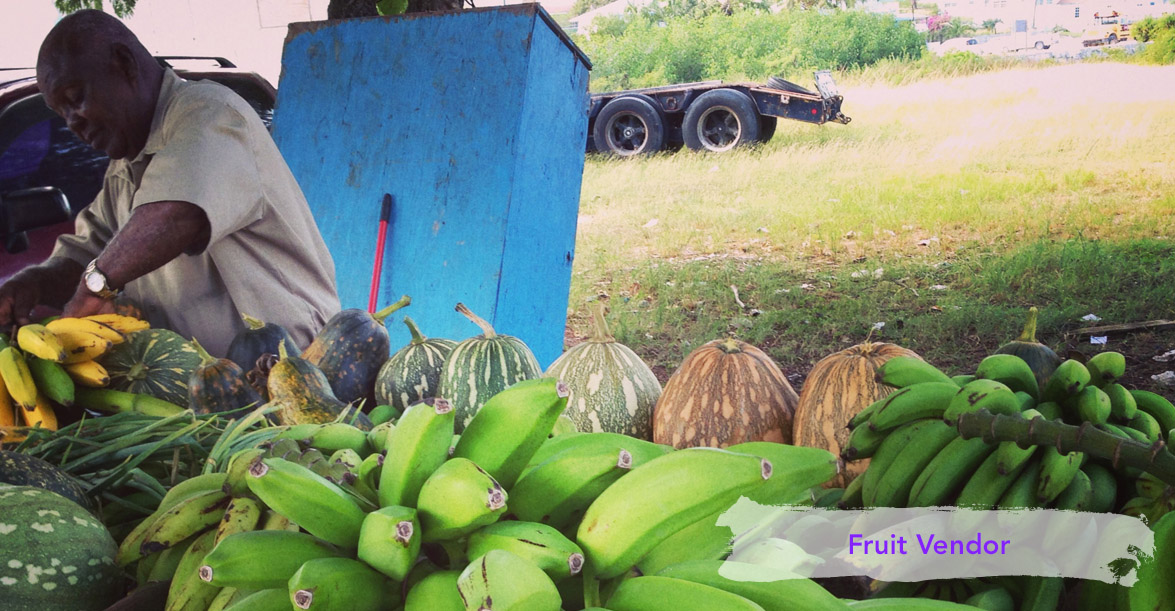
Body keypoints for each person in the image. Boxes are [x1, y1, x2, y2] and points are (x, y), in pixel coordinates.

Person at [0, 10, 340, 357]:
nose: (73, 122)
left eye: (75, 99)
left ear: (123, 63)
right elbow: (87, 253)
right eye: (62, 113)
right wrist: (34, 283)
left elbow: (176, 213)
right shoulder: (123, 168)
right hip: (208, 389)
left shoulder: (211, 114)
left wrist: (95, 286)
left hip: (296, 370)